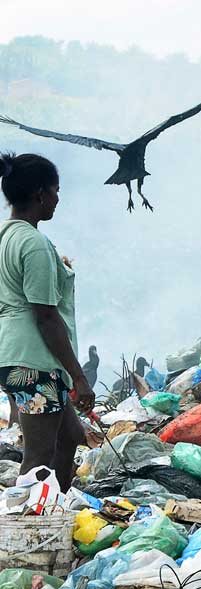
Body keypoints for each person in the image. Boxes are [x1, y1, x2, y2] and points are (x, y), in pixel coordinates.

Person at [0, 152, 93, 489]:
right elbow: (46, 316)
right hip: (35, 361)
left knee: (70, 437)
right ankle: (24, 518)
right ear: (40, 194)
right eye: (56, 190)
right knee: (39, 455)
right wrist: (79, 377)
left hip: (17, 354)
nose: (57, 198)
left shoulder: (7, 236)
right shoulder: (33, 243)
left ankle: (57, 505)